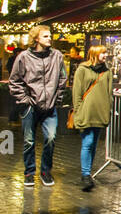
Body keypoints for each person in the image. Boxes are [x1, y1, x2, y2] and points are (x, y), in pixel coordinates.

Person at [9, 25, 67, 187]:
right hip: (30, 106)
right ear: (36, 39)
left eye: (50, 36)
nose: (50, 38)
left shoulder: (57, 56)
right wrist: (25, 100)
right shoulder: (24, 57)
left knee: (50, 138)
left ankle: (45, 171)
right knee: (29, 141)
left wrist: (57, 99)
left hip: (50, 106)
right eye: (46, 36)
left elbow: (62, 79)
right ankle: (29, 172)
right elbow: (15, 81)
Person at [72, 45, 112, 192]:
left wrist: (108, 110)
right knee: (87, 142)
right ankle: (85, 174)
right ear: (94, 53)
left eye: (106, 52)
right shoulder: (83, 69)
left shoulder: (106, 71)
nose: (105, 55)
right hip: (86, 112)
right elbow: (77, 92)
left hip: (100, 112)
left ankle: (87, 173)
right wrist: (78, 111)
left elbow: (109, 93)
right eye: (103, 53)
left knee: (94, 143)